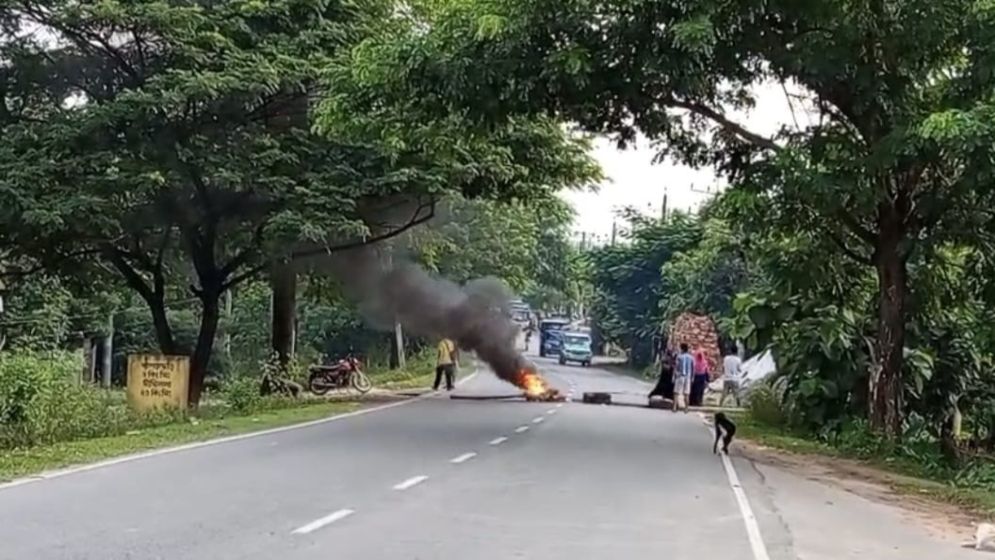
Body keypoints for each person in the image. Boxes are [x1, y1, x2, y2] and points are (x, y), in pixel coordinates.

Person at [673, 343, 694, 412]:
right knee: (686, 393)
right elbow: (693, 368)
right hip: (688, 377)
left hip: (680, 376)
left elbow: (676, 367)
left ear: (682, 349)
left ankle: (675, 407)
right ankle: (686, 408)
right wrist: (692, 377)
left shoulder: (679, 357)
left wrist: (674, 376)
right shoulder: (691, 358)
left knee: (676, 392)